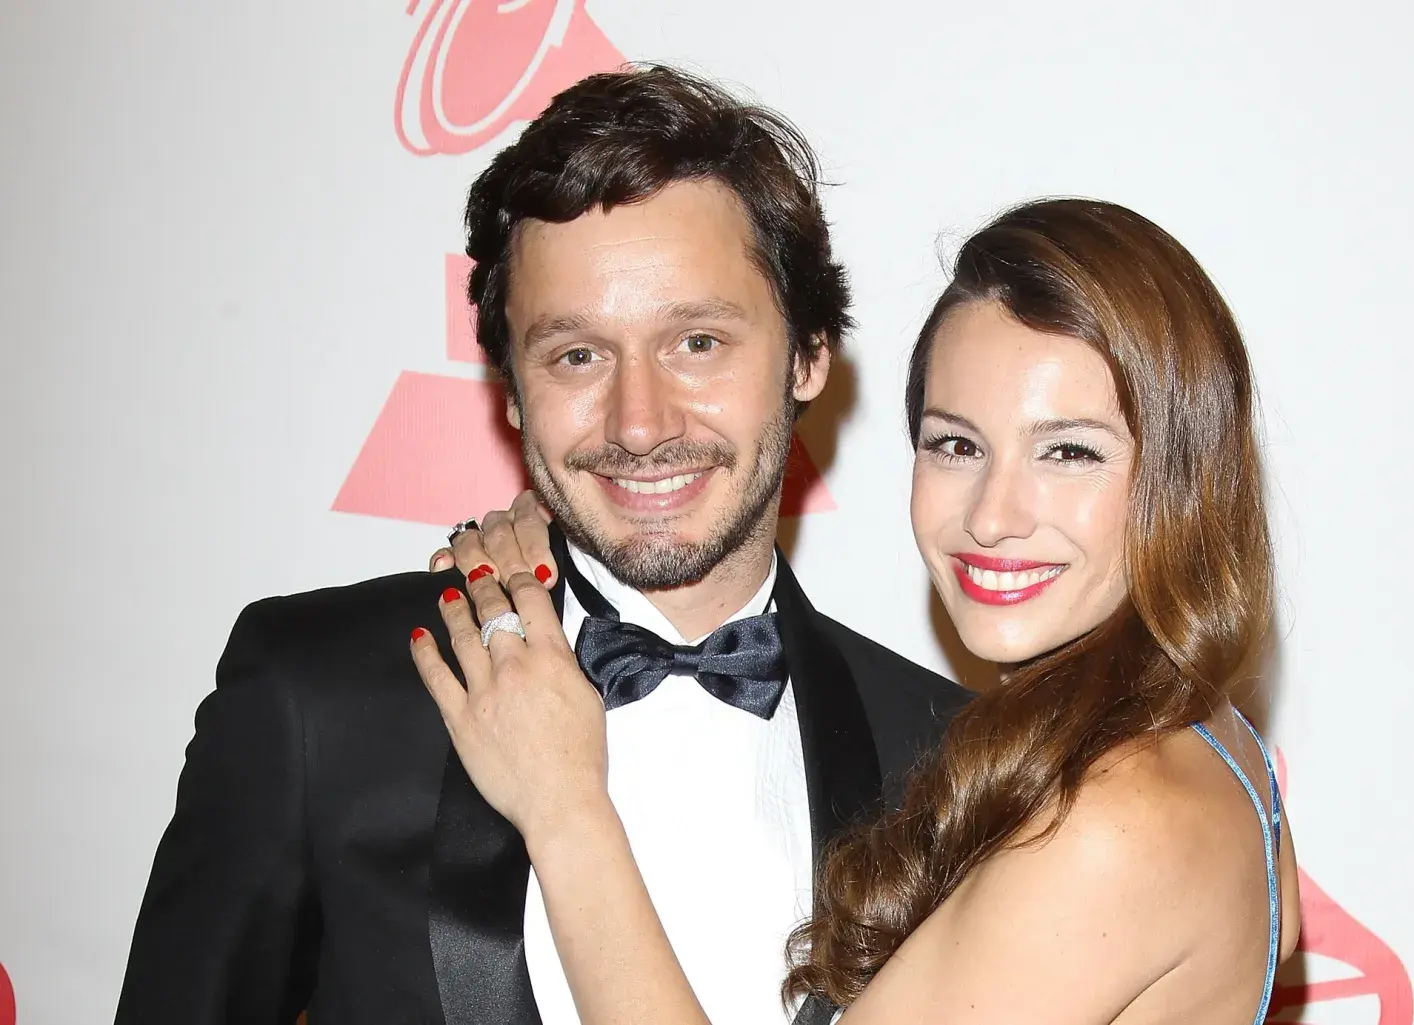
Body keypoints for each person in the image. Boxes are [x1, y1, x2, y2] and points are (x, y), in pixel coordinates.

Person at [114, 66, 968, 1025]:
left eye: (697, 342)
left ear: (809, 354)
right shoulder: (318, 695)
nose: (639, 423)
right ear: (512, 391)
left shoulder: (956, 758)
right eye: (577, 355)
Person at [419, 197, 1302, 1024]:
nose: (992, 516)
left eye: (1068, 452)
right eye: (956, 444)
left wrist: (566, 810)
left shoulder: (1118, 823)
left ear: (1183, 475)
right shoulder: (1198, 744)